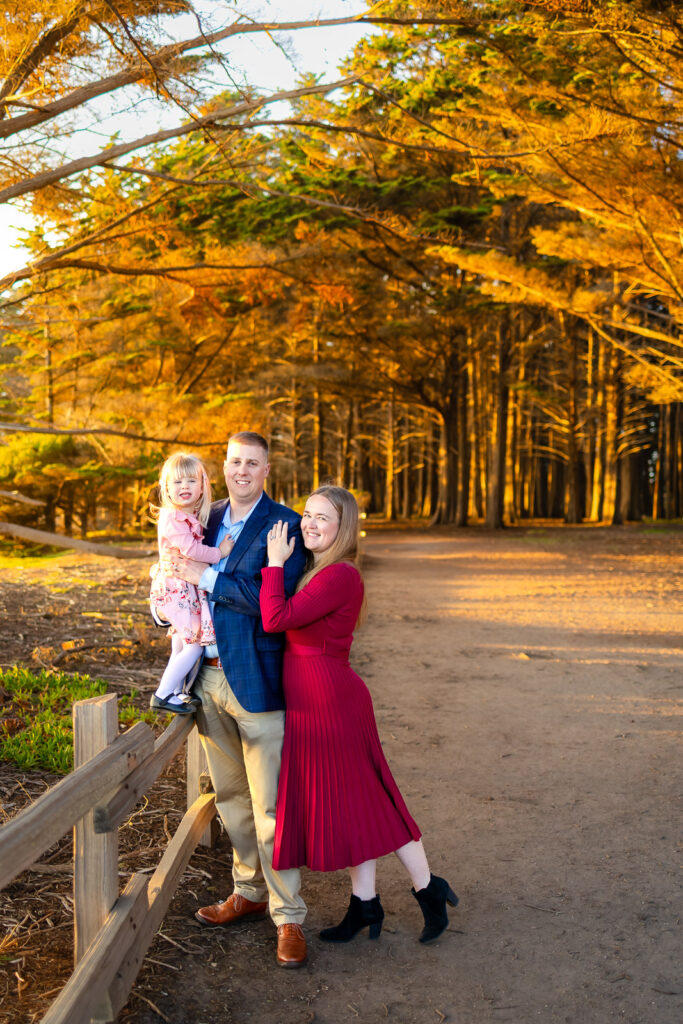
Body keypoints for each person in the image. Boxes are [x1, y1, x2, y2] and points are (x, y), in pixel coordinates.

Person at [259, 485, 458, 945]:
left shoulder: (340, 576)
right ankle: (365, 905)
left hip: (332, 704)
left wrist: (272, 564)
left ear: (343, 527)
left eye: (322, 518)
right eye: (306, 514)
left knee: (371, 801)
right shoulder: (318, 569)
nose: (309, 523)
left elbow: (275, 619)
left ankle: (429, 887)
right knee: (353, 805)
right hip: (313, 702)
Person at [165, 431, 309, 968]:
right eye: (232, 462)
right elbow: (174, 569)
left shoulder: (284, 526)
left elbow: (271, 601)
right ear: (221, 467)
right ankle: (247, 892)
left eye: (251, 462)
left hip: (258, 685)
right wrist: (163, 603)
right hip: (207, 679)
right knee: (230, 800)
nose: (240, 471)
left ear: (266, 469)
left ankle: (289, 915)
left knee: (272, 806)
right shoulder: (203, 515)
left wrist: (207, 574)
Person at [149, 452, 235, 714]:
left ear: (202, 486)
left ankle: (176, 691)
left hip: (182, 586)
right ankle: (162, 695)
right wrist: (219, 552)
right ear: (166, 488)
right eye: (177, 482)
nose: (184, 486)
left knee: (180, 642)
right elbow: (190, 551)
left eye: (190, 481)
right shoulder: (173, 517)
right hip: (177, 587)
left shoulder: (188, 516)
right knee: (195, 645)